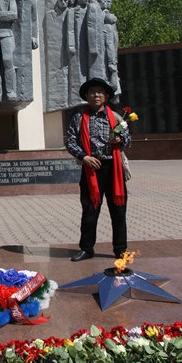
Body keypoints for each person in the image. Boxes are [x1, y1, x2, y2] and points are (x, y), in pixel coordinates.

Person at [65, 78, 131, 262]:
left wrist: (120, 141)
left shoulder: (118, 118)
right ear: (86, 96)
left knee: (118, 211)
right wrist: (84, 157)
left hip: (114, 169)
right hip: (91, 169)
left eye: (100, 92)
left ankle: (120, 249)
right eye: (92, 92)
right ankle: (87, 248)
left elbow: (128, 140)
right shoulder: (79, 117)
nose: (96, 95)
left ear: (106, 96)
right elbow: (70, 141)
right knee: (90, 210)